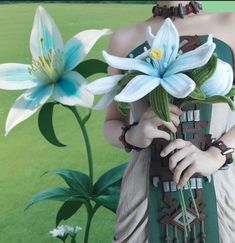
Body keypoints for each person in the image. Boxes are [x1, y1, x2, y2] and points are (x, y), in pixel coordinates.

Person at [103, 1, 235, 242]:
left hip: (218, 191)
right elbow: (111, 122)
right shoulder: (123, 39)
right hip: (144, 197)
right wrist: (134, 134)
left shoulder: (231, 25)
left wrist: (215, 156)